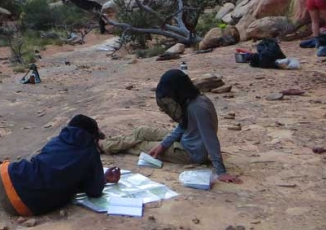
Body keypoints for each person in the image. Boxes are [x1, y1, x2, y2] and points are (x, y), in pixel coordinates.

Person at [0, 115, 120, 217]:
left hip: (15, 185)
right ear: (93, 136)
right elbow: (94, 191)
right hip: (27, 208)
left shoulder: (56, 142)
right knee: (4, 191)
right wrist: (105, 179)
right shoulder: (90, 154)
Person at [101, 70, 242, 183]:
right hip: (186, 139)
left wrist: (221, 171)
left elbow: (210, 138)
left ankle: (101, 145)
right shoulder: (193, 100)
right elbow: (183, 126)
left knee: (141, 145)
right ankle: (107, 142)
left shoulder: (198, 108)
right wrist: (163, 145)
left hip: (190, 152)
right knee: (141, 131)